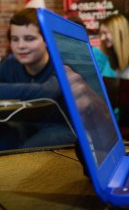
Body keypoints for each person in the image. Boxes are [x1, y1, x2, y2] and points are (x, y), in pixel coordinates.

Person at [0, 8, 75, 149]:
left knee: (24, 153)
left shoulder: (62, 64)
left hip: (61, 128)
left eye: (29, 39)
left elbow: (47, 92)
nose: (21, 46)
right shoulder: (9, 64)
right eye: (15, 39)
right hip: (22, 126)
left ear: (47, 40)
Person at [99, 13, 129, 79]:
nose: (102, 38)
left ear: (118, 32)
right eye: (101, 34)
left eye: (105, 33)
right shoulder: (115, 57)